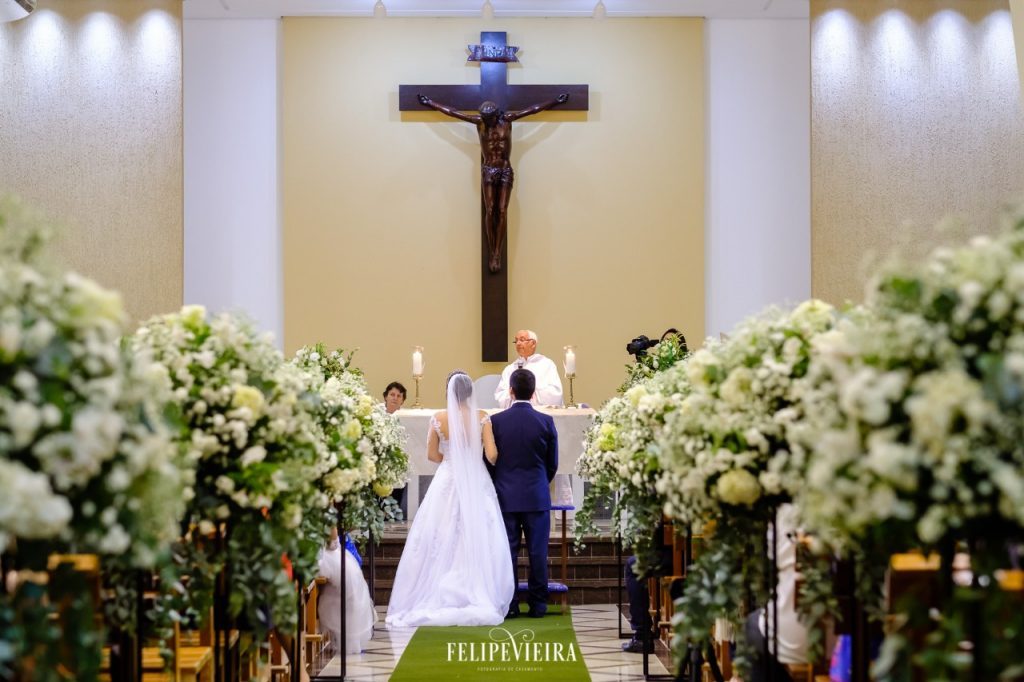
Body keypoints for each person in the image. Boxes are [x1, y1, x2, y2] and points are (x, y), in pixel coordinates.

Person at [385, 371, 514, 627]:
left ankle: (436, 589)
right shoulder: (482, 418)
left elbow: (432, 454)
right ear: (471, 393)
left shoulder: (438, 419)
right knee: (478, 532)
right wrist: (479, 459)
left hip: (448, 477)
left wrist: (453, 460)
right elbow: (491, 454)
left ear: (448, 392)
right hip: (476, 479)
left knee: (440, 532)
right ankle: (480, 590)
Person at [416, 93, 569, 273]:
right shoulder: (480, 123)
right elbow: (453, 113)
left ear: (496, 115)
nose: (486, 122)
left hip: (505, 170)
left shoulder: (507, 120)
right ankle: (491, 251)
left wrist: (554, 101)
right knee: (490, 210)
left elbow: (533, 110)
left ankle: (497, 251)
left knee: (502, 210)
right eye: (484, 119)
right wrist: (431, 102)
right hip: (488, 170)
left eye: (489, 119)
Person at [489, 369, 559, 618]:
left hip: (506, 496)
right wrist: (540, 481)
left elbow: (490, 461)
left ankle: (510, 605)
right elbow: (552, 463)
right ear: (533, 392)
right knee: (538, 552)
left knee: (508, 551)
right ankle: (538, 605)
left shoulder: (496, 421)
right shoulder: (546, 421)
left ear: (510, 390)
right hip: (536, 495)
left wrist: (500, 483)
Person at [318, 528, 376, 655]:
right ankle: (349, 637)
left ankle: (343, 636)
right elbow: (333, 545)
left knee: (350, 579)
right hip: (321, 555)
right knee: (350, 579)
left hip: (320, 552)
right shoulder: (326, 513)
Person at [494, 329, 563, 408]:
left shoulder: (547, 364)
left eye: (522, 340)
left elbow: (556, 393)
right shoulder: (510, 369)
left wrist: (530, 390)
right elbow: (500, 396)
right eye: (516, 341)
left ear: (533, 343)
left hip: (540, 414)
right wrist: (514, 393)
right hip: (516, 413)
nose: (518, 343)